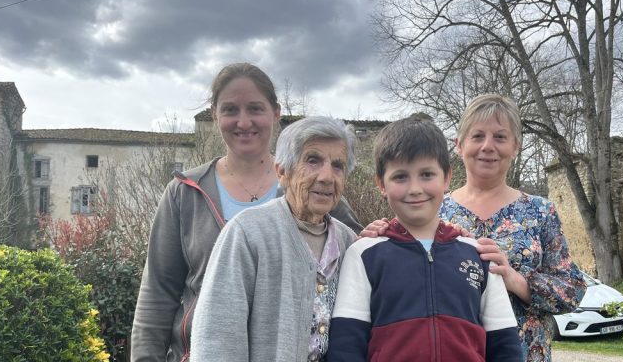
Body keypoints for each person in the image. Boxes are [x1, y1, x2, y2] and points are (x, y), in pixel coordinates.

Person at [130, 64, 362, 362]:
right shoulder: (185, 193)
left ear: (275, 113)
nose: (243, 121)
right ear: (214, 114)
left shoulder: (316, 190)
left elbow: (355, 258)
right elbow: (157, 295)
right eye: (230, 110)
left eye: (255, 108)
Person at [362, 95, 586, 362]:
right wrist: (378, 234)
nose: (487, 146)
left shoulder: (540, 212)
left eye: (500, 137)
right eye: (477, 136)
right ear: (459, 145)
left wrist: (518, 281)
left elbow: (572, 291)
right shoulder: (429, 206)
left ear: (515, 146)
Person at [328, 116, 523, 361]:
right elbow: (346, 346)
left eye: (427, 174)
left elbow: (505, 346)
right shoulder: (364, 254)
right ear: (381, 183)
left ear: (447, 178)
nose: (415, 188)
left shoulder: (478, 255)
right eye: (400, 177)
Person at [190, 116, 358, 361]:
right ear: (282, 172)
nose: (327, 176)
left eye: (338, 165)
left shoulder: (349, 242)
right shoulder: (247, 233)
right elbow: (217, 340)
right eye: (313, 160)